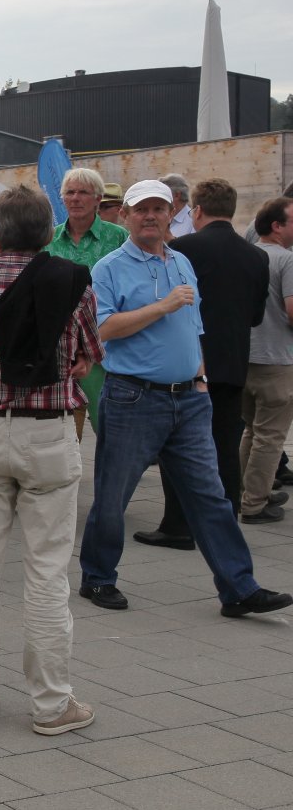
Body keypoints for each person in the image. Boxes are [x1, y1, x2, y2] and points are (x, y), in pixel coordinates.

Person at [77, 180, 291, 618]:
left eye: (159, 209)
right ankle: (98, 577)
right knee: (114, 496)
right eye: (141, 209)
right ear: (126, 216)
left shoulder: (181, 261)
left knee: (211, 496)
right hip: (133, 397)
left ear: (170, 214)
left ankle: (239, 588)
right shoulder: (110, 268)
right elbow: (103, 329)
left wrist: (200, 378)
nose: (150, 216)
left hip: (189, 400)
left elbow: (194, 327)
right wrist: (162, 306)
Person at [0, 185, 102, 734]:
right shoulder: (71, 284)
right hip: (47, 432)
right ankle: (52, 703)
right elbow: (90, 352)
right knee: (47, 573)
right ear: (47, 233)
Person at [137, 178, 269, 544]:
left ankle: (178, 525)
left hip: (190, 363)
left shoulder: (183, 249)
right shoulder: (255, 256)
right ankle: (226, 524)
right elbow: (256, 316)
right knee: (225, 445)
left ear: (196, 210)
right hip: (234, 363)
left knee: (178, 445)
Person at [46, 168, 126, 439]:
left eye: (83, 192)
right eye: (70, 192)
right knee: (63, 434)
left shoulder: (118, 237)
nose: (75, 198)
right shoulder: (49, 240)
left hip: (105, 347)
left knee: (109, 430)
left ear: (98, 199)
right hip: (62, 349)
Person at [240, 197, 293, 523]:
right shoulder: (286, 259)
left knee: (251, 431)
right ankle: (254, 504)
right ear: (277, 226)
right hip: (277, 359)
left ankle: (246, 492)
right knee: (270, 436)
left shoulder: (249, 255)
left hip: (246, 355)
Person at [161, 172, 193, 237]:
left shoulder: (193, 221)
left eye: (164, 195)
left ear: (177, 195)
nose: (160, 199)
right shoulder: (162, 217)